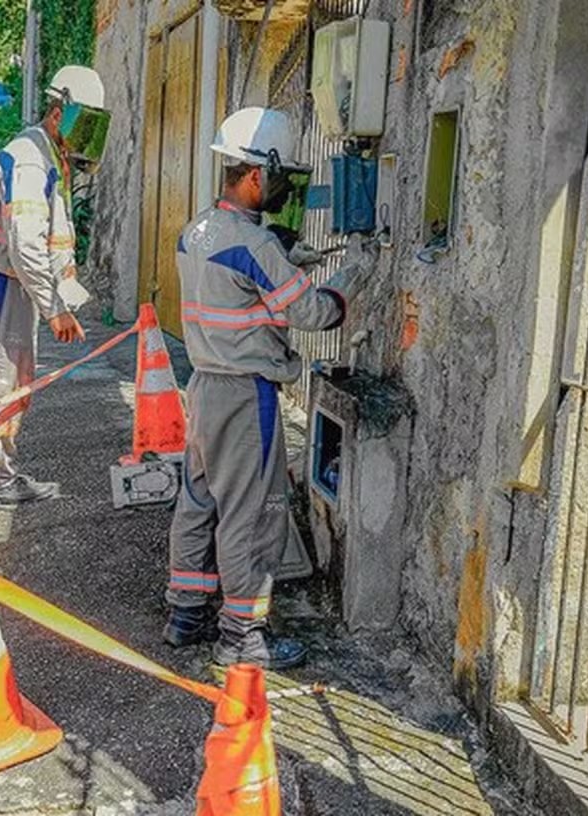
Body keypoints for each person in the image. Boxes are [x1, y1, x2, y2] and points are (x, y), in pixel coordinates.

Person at [163, 106, 368, 670]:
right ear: (256, 175)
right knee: (251, 514)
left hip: (204, 386)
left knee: (200, 500)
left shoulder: (196, 232)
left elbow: (239, 280)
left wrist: (282, 252)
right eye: (279, 180)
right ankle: (242, 637)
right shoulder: (254, 249)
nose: (281, 191)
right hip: (245, 394)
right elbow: (313, 313)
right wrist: (353, 279)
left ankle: (186, 612)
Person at [0, 65, 111, 508]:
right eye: (84, 121)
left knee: (7, 377)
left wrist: (67, 294)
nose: (87, 133)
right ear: (60, 110)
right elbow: (25, 243)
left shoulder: (49, 155)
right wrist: (53, 308)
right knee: (4, 382)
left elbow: (53, 238)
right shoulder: (30, 159)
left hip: (8, 277)